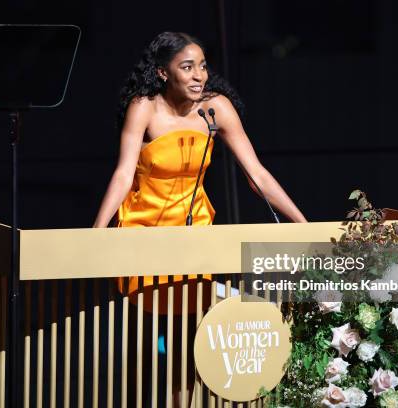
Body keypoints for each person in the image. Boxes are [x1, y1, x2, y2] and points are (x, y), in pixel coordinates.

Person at [92, 31, 307, 406]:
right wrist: (95, 234)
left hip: (193, 235)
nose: (198, 76)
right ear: (162, 73)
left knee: (188, 338)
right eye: (186, 67)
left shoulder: (216, 108)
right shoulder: (144, 106)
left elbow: (256, 174)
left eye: (202, 67)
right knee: (147, 339)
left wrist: (303, 225)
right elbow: (124, 174)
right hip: (145, 233)